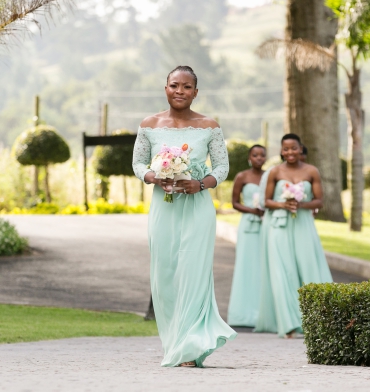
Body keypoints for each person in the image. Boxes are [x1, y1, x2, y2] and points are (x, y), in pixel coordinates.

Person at [132, 65, 236, 367]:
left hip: (197, 208)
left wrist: (200, 184)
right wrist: (153, 176)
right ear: (165, 88)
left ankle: (190, 348)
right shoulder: (149, 124)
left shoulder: (210, 126)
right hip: (164, 207)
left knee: (194, 273)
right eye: (175, 85)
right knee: (164, 275)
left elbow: (222, 168)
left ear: (196, 92)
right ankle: (174, 344)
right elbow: (138, 163)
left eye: (187, 87)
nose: (180, 91)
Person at [254, 133, 332, 338]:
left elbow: (319, 201)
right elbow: (266, 201)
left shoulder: (311, 171)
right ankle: (288, 324)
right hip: (279, 225)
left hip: (303, 223)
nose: (290, 152)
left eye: (294, 148)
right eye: (286, 149)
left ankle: (316, 321)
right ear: (281, 151)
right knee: (283, 271)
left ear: (300, 149)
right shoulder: (274, 172)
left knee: (308, 267)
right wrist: (283, 204)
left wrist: (301, 204)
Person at [227, 145, 266, 327]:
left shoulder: (270, 176)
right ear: (249, 157)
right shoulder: (242, 176)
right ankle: (242, 314)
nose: (259, 158)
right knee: (246, 264)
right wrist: (252, 210)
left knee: (263, 266)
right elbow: (234, 203)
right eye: (255, 155)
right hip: (248, 224)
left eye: (262, 155)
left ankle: (263, 313)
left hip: (266, 224)